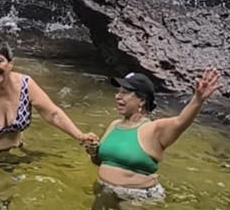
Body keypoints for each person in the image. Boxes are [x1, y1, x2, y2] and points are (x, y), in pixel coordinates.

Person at [87, 67, 220, 203]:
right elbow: (102, 161)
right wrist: (93, 152)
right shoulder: (113, 125)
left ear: (142, 100)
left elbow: (180, 122)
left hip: (135, 197)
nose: (117, 96)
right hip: (103, 188)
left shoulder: (153, 129)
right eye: (118, 92)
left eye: (125, 92)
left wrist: (198, 100)